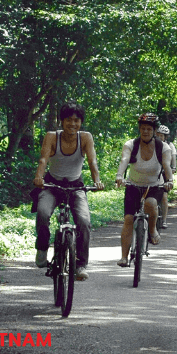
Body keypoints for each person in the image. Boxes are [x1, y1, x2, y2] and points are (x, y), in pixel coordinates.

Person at [32, 101, 105, 282]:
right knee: (43, 212)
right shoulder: (52, 137)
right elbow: (43, 159)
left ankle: (80, 265)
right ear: (61, 121)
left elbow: (92, 161)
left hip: (75, 186)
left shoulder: (85, 137)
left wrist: (97, 180)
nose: (72, 124)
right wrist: (39, 177)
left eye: (76, 120)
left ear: (81, 122)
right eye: (68, 120)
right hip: (52, 185)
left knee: (84, 221)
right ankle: (42, 248)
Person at [115, 113, 174, 267]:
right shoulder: (131, 144)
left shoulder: (163, 147)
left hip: (154, 186)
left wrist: (170, 180)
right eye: (142, 128)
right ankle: (124, 257)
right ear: (139, 129)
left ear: (154, 131)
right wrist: (119, 175)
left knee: (151, 203)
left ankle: (153, 230)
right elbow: (124, 160)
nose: (145, 131)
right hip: (133, 185)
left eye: (149, 129)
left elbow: (166, 165)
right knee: (129, 219)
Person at [155, 125, 177, 229]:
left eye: (162, 136)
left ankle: (164, 220)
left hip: (164, 173)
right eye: (158, 135)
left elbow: (173, 158)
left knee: (164, 197)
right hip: (153, 172)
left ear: (165, 137)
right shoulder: (151, 144)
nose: (159, 137)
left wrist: (173, 167)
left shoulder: (169, 146)